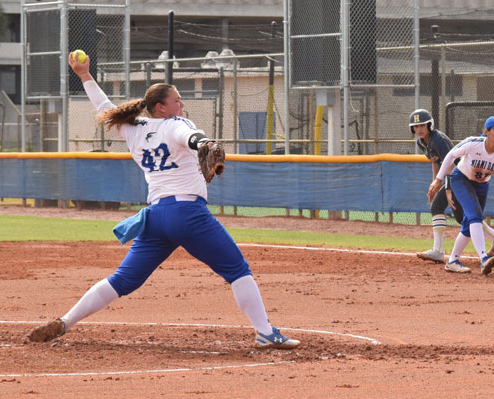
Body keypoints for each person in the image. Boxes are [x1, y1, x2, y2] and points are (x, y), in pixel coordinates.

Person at [27, 52, 300, 349]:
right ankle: (264, 332)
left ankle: (66, 320)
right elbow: (190, 135)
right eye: (177, 100)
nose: (182, 105)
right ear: (162, 108)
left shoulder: (132, 129)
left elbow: (104, 106)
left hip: (155, 218)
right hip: (187, 214)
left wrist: (84, 75)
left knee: (123, 280)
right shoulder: (175, 123)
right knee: (237, 269)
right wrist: (205, 143)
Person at [410, 109, 494, 271]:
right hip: (460, 178)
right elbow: (442, 160)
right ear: (487, 132)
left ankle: (453, 260)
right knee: (472, 216)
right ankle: (483, 257)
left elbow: (453, 160)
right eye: (416, 126)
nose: (419, 129)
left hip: (476, 182)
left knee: (466, 221)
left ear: (429, 125)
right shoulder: (425, 142)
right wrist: (438, 181)